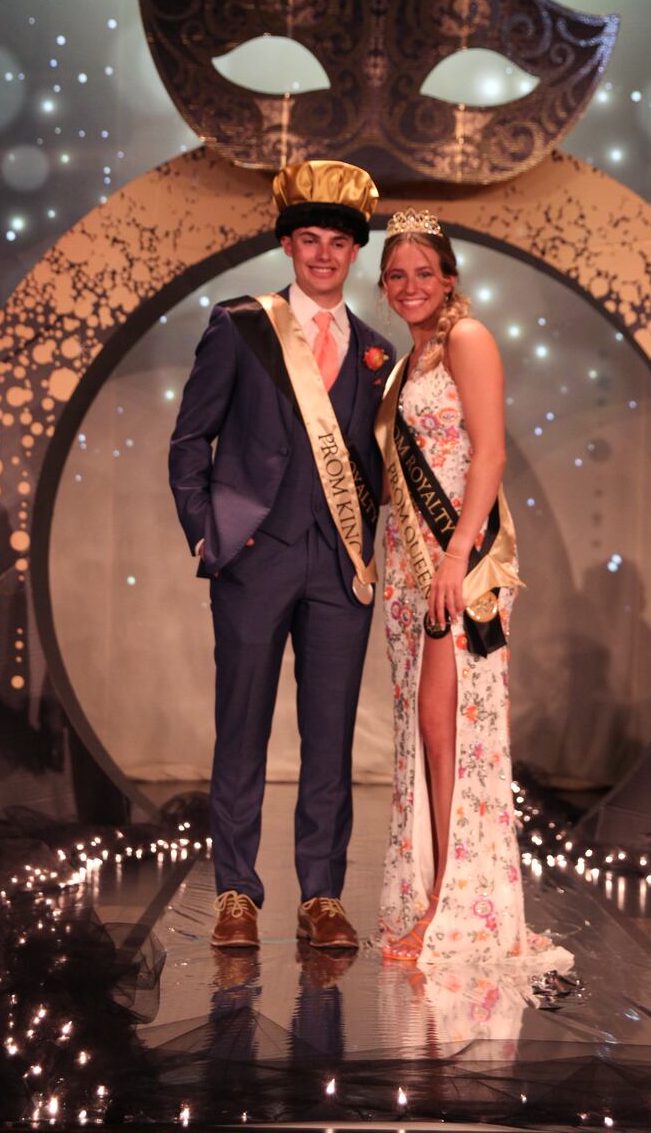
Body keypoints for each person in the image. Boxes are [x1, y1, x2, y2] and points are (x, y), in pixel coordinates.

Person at [169, 160, 396, 951]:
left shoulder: (376, 352)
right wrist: (209, 533)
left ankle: (322, 895)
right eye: (310, 240)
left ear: (354, 253)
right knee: (242, 729)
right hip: (254, 562)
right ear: (289, 245)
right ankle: (237, 892)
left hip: (339, 572)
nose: (324, 255)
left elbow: (379, 470)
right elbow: (189, 438)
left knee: (329, 736)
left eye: (339, 242)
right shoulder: (240, 325)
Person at [374, 209, 569, 971]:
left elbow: (487, 457)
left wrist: (455, 555)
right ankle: (432, 894)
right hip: (409, 569)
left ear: (449, 277)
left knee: (450, 729)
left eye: (425, 272)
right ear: (384, 286)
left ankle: (456, 905)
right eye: (397, 274)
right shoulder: (406, 365)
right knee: (425, 733)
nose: (411, 285)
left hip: (461, 564)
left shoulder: (468, 339)